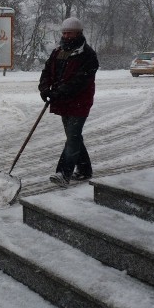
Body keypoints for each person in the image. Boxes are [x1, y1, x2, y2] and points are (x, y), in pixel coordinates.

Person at [38, 16, 99, 188]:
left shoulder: (88, 55)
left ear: (78, 33)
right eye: (64, 33)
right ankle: (85, 170)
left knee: (72, 137)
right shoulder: (58, 52)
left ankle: (63, 173)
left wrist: (59, 92)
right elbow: (47, 71)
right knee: (74, 137)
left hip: (80, 102)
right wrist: (44, 88)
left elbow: (81, 81)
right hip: (63, 102)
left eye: (69, 33)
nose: (66, 36)